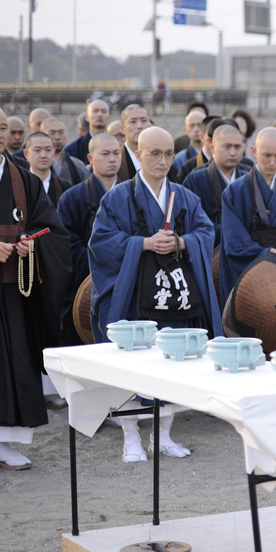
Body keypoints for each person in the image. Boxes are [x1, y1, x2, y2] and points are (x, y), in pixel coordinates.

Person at [89, 126, 222, 462]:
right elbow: (101, 242)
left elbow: (206, 231)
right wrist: (142, 244)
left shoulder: (185, 196)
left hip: (175, 296)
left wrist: (182, 241)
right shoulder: (117, 198)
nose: (163, 161)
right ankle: (131, 437)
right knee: (133, 368)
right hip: (135, 299)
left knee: (174, 366)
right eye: (154, 154)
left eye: (168, 154)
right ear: (138, 153)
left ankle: (163, 436)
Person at [0, 105, 71, 476]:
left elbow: (51, 229)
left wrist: (30, 244)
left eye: (3, 128)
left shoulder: (22, 178)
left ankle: (2, 443)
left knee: (13, 365)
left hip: (15, 290)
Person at [218, 127, 276, 302]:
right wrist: (263, 255)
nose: (272, 162)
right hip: (251, 274)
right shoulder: (234, 191)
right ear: (253, 151)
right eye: (266, 155)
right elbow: (234, 242)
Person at [57, 133, 121, 346]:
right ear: (90, 158)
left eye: (116, 153)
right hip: (84, 288)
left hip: (127, 284)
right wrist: (104, 261)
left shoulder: (133, 194)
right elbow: (66, 245)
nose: (112, 159)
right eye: (105, 154)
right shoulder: (72, 198)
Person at [182, 122, 247, 246]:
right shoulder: (195, 179)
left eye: (237, 147)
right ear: (212, 147)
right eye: (227, 147)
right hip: (211, 250)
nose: (233, 152)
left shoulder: (248, 177)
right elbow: (192, 224)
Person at [23, 132, 65, 206]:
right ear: (26, 154)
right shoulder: (18, 186)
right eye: (37, 150)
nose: (43, 155)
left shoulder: (65, 188)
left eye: (48, 150)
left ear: (54, 152)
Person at [43, 118, 87, 187]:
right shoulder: (34, 164)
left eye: (61, 132)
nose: (57, 137)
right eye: (52, 133)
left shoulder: (78, 165)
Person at [118, 103, 151, 180]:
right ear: (122, 128)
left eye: (144, 120)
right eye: (133, 121)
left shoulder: (159, 158)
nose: (139, 126)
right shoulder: (116, 160)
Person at [169, 109, 206, 174]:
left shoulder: (215, 155)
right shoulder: (179, 159)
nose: (196, 129)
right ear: (185, 130)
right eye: (192, 125)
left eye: (199, 125)